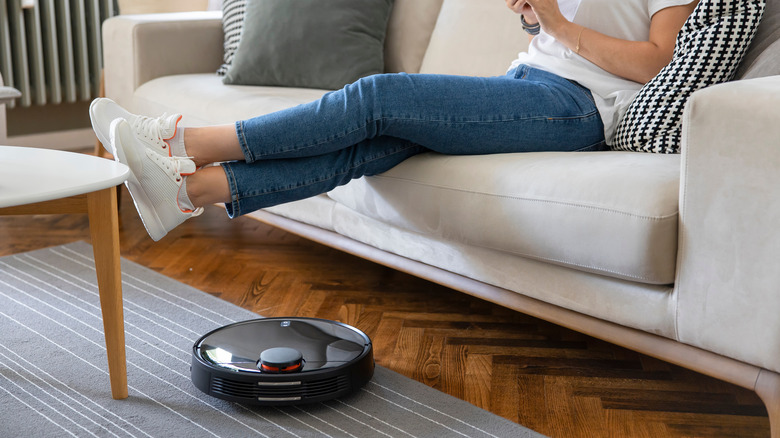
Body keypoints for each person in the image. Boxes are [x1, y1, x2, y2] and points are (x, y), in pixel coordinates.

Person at [90, 0, 699, 241]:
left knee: (379, 98)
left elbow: (656, 61)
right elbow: (556, 34)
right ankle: (192, 190)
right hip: (527, 81)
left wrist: (560, 27)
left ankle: (182, 141)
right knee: (382, 132)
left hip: (580, 108)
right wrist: (535, 16)